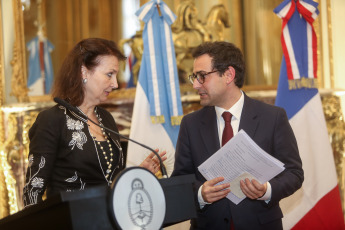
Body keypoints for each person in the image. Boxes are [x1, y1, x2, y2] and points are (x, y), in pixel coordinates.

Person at [171, 41, 303, 230]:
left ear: (228, 75)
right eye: (194, 77)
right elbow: (180, 181)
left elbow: (294, 173)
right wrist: (201, 194)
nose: (196, 85)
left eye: (202, 76)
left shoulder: (272, 117)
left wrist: (266, 190)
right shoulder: (190, 124)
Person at [23, 38, 166, 208]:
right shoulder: (52, 120)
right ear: (84, 71)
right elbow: (33, 190)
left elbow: (108, 181)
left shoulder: (106, 119)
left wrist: (138, 172)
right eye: (109, 74)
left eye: (115, 75)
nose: (115, 84)